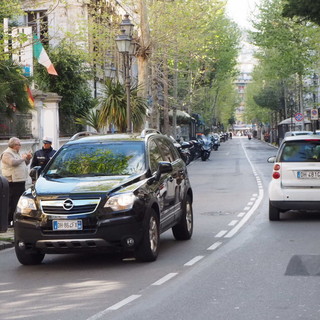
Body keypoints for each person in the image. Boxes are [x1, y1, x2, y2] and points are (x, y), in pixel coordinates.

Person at [0, 137, 32, 226]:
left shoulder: (17, 153)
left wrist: (27, 159)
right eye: (19, 144)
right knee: (12, 202)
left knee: (19, 201)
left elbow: (24, 163)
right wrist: (23, 158)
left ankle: (16, 219)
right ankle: (9, 221)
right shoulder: (7, 153)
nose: (20, 146)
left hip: (20, 180)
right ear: (14, 145)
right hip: (12, 181)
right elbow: (12, 163)